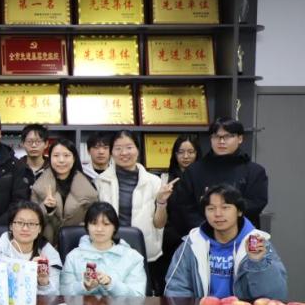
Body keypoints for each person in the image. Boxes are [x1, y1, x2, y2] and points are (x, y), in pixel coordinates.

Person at [164, 184, 287, 301]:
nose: (218, 214)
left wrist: (257, 263)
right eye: (211, 208)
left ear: (239, 211)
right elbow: (176, 288)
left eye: (225, 207)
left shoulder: (258, 243)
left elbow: (275, 296)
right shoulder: (192, 243)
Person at [96, 130, 178, 294]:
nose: (124, 153)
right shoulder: (100, 181)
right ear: (111, 152)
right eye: (118, 148)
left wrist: (161, 202)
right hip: (110, 250)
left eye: (129, 147)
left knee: (141, 298)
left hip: (144, 250)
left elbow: (159, 224)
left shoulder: (154, 182)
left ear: (138, 150)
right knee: (110, 295)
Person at [172, 118, 268, 233]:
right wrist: (207, 228)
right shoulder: (194, 171)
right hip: (202, 234)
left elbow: (256, 204)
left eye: (227, 136)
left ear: (240, 138)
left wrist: (226, 223)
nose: (221, 141)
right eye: (216, 136)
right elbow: (183, 206)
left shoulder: (255, 171)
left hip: (241, 235)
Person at [61, 202, 147, 298]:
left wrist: (111, 284)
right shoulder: (73, 257)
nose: (99, 229)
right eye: (94, 223)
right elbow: (63, 293)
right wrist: (84, 286)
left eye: (106, 224)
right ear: (87, 226)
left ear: (115, 227)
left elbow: (138, 296)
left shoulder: (133, 258)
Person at [0, 201, 62, 296]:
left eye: (31, 224)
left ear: (40, 228)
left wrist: (43, 283)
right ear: (11, 226)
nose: (25, 228)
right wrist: (27, 271)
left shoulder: (49, 254)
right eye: (20, 222)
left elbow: (54, 296)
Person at [30, 139, 98, 246]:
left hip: (78, 244)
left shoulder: (89, 186)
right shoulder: (38, 186)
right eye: (56, 155)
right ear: (50, 158)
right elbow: (31, 221)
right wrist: (46, 208)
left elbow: (94, 221)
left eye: (66, 155)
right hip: (45, 245)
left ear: (74, 158)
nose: (61, 160)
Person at [161, 134, 202, 271]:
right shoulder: (165, 179)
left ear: (197, 153)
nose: (186, 156)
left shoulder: (204, 178)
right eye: (181, 152)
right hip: (170, 239)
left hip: (197, 236)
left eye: (190, 152)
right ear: (175, 154)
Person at [19, 124, 49, 189]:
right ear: (22, 144)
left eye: (38, 141)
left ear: (46, 144)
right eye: (29, 141)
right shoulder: (16, 167)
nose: (34, 145)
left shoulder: (52, 168)